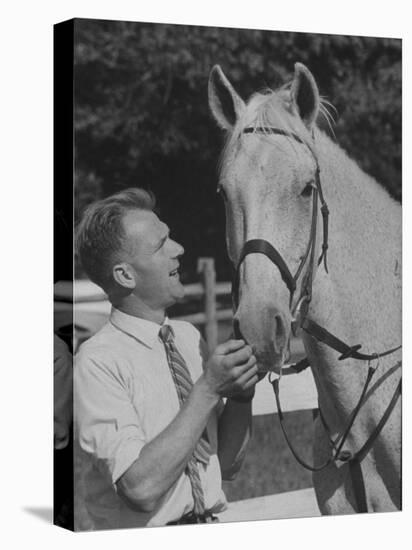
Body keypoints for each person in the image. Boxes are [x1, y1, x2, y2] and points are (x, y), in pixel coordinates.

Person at [74, 187, 258, 530]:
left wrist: (241, 393)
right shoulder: (97, 362)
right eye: (161, 245)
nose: (179, 249)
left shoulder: (187, 339)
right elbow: (139, 488)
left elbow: (227, 465)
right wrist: (207, 389)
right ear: (125, 275)